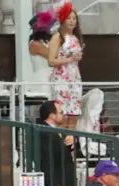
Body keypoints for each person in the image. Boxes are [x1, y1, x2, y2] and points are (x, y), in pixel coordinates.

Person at [48, 2, 83, 130]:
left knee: (74, 116)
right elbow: (51, 61)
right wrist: (69, 59)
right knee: (62, 116)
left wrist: (76, 58)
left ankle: (71, 148)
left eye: (74, 19)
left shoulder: (75, 38)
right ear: (63, 20)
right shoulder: (57, 37)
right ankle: (62, 148)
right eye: (69, 18)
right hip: (61, 80)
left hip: (74, 79)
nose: (72, 21)